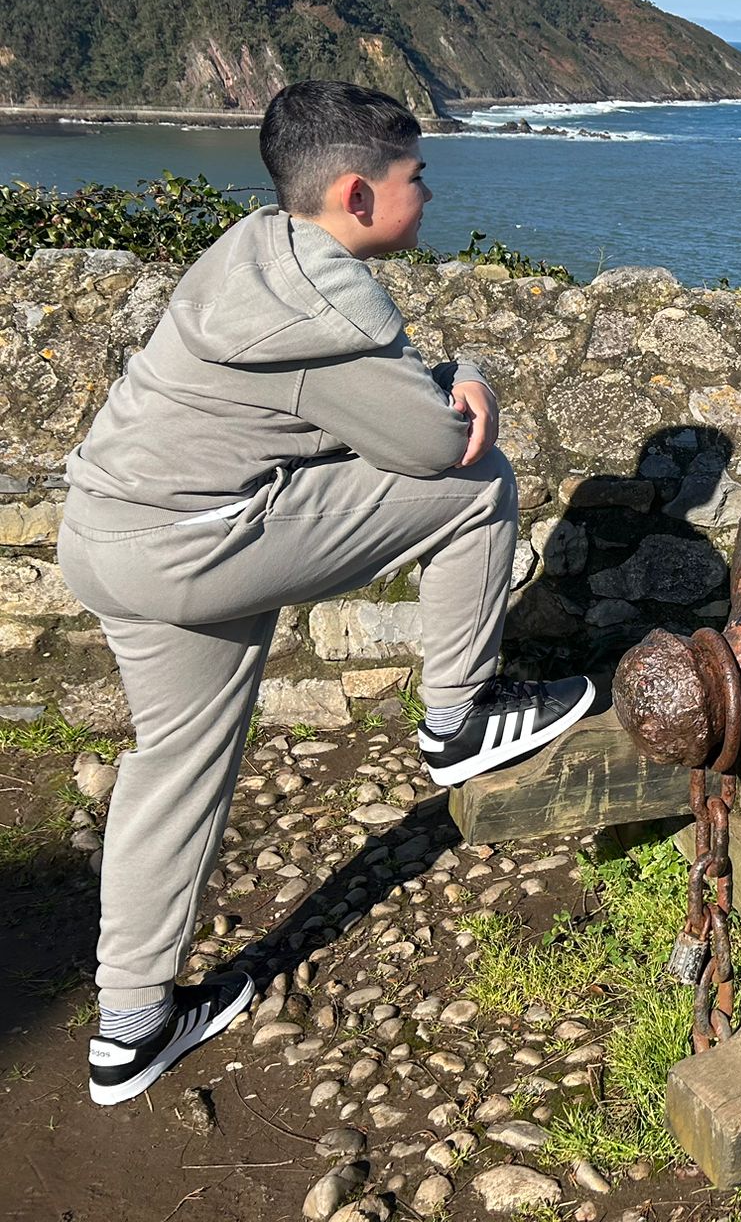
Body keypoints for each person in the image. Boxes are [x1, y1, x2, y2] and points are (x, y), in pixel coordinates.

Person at [56, 80, 594, 1107]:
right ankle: (459, 721)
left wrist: (430, 380)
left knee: (173, 767)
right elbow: (438, 447)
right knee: (481, 485)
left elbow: (321, 408)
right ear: (356, 193)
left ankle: (131, 1027)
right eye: (415, 175)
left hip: (107, 530)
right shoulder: (328, 305)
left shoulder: (254, 248)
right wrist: (472, 371)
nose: (429, 192)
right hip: (190, 547)